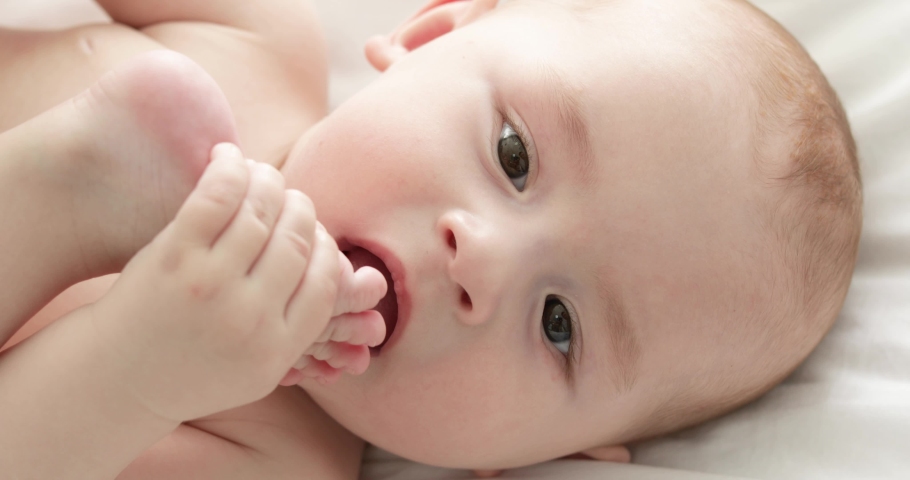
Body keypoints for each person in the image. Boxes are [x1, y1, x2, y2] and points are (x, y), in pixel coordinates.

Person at [0, 0, 862, 478]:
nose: (482, 259)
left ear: (539, 456)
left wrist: (137, 369)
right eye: (514, 154)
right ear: (430, 37)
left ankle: (51, 197)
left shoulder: (270, 458)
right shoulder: (251, 33)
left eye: (560, 325)